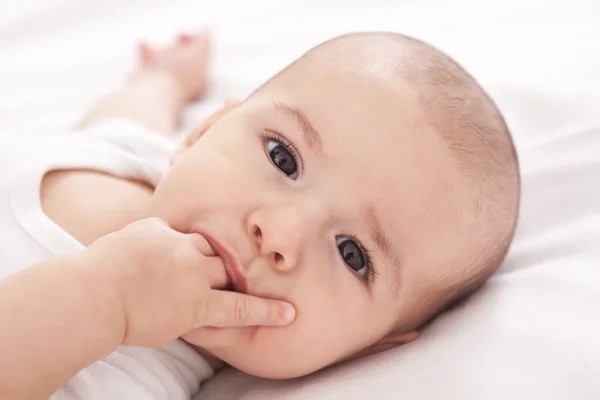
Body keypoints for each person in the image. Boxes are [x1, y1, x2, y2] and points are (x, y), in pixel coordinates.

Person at [0, 29, 520, 399]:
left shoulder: (121, 380)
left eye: (352, 254)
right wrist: (162, 78)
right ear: (205, 131)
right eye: (283, 157)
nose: (280, 232)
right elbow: (121, 119)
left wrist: (109, 297)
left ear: (369, 351)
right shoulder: (132, 157)